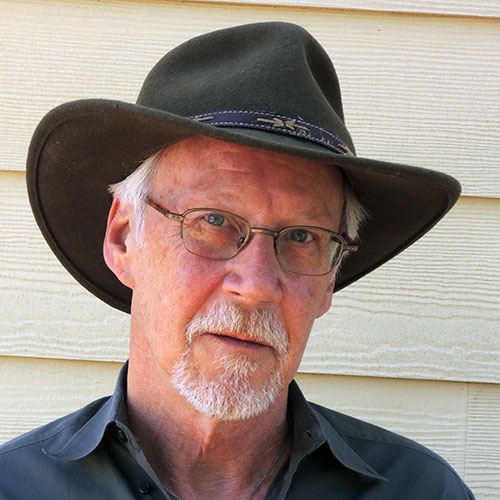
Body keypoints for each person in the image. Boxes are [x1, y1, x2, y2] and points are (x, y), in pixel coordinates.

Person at [0, 22, 475, 499]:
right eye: (214, 221)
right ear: (124, 238)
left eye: (302, 236)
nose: (257, 284)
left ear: (330, 280)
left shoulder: (421, 491)